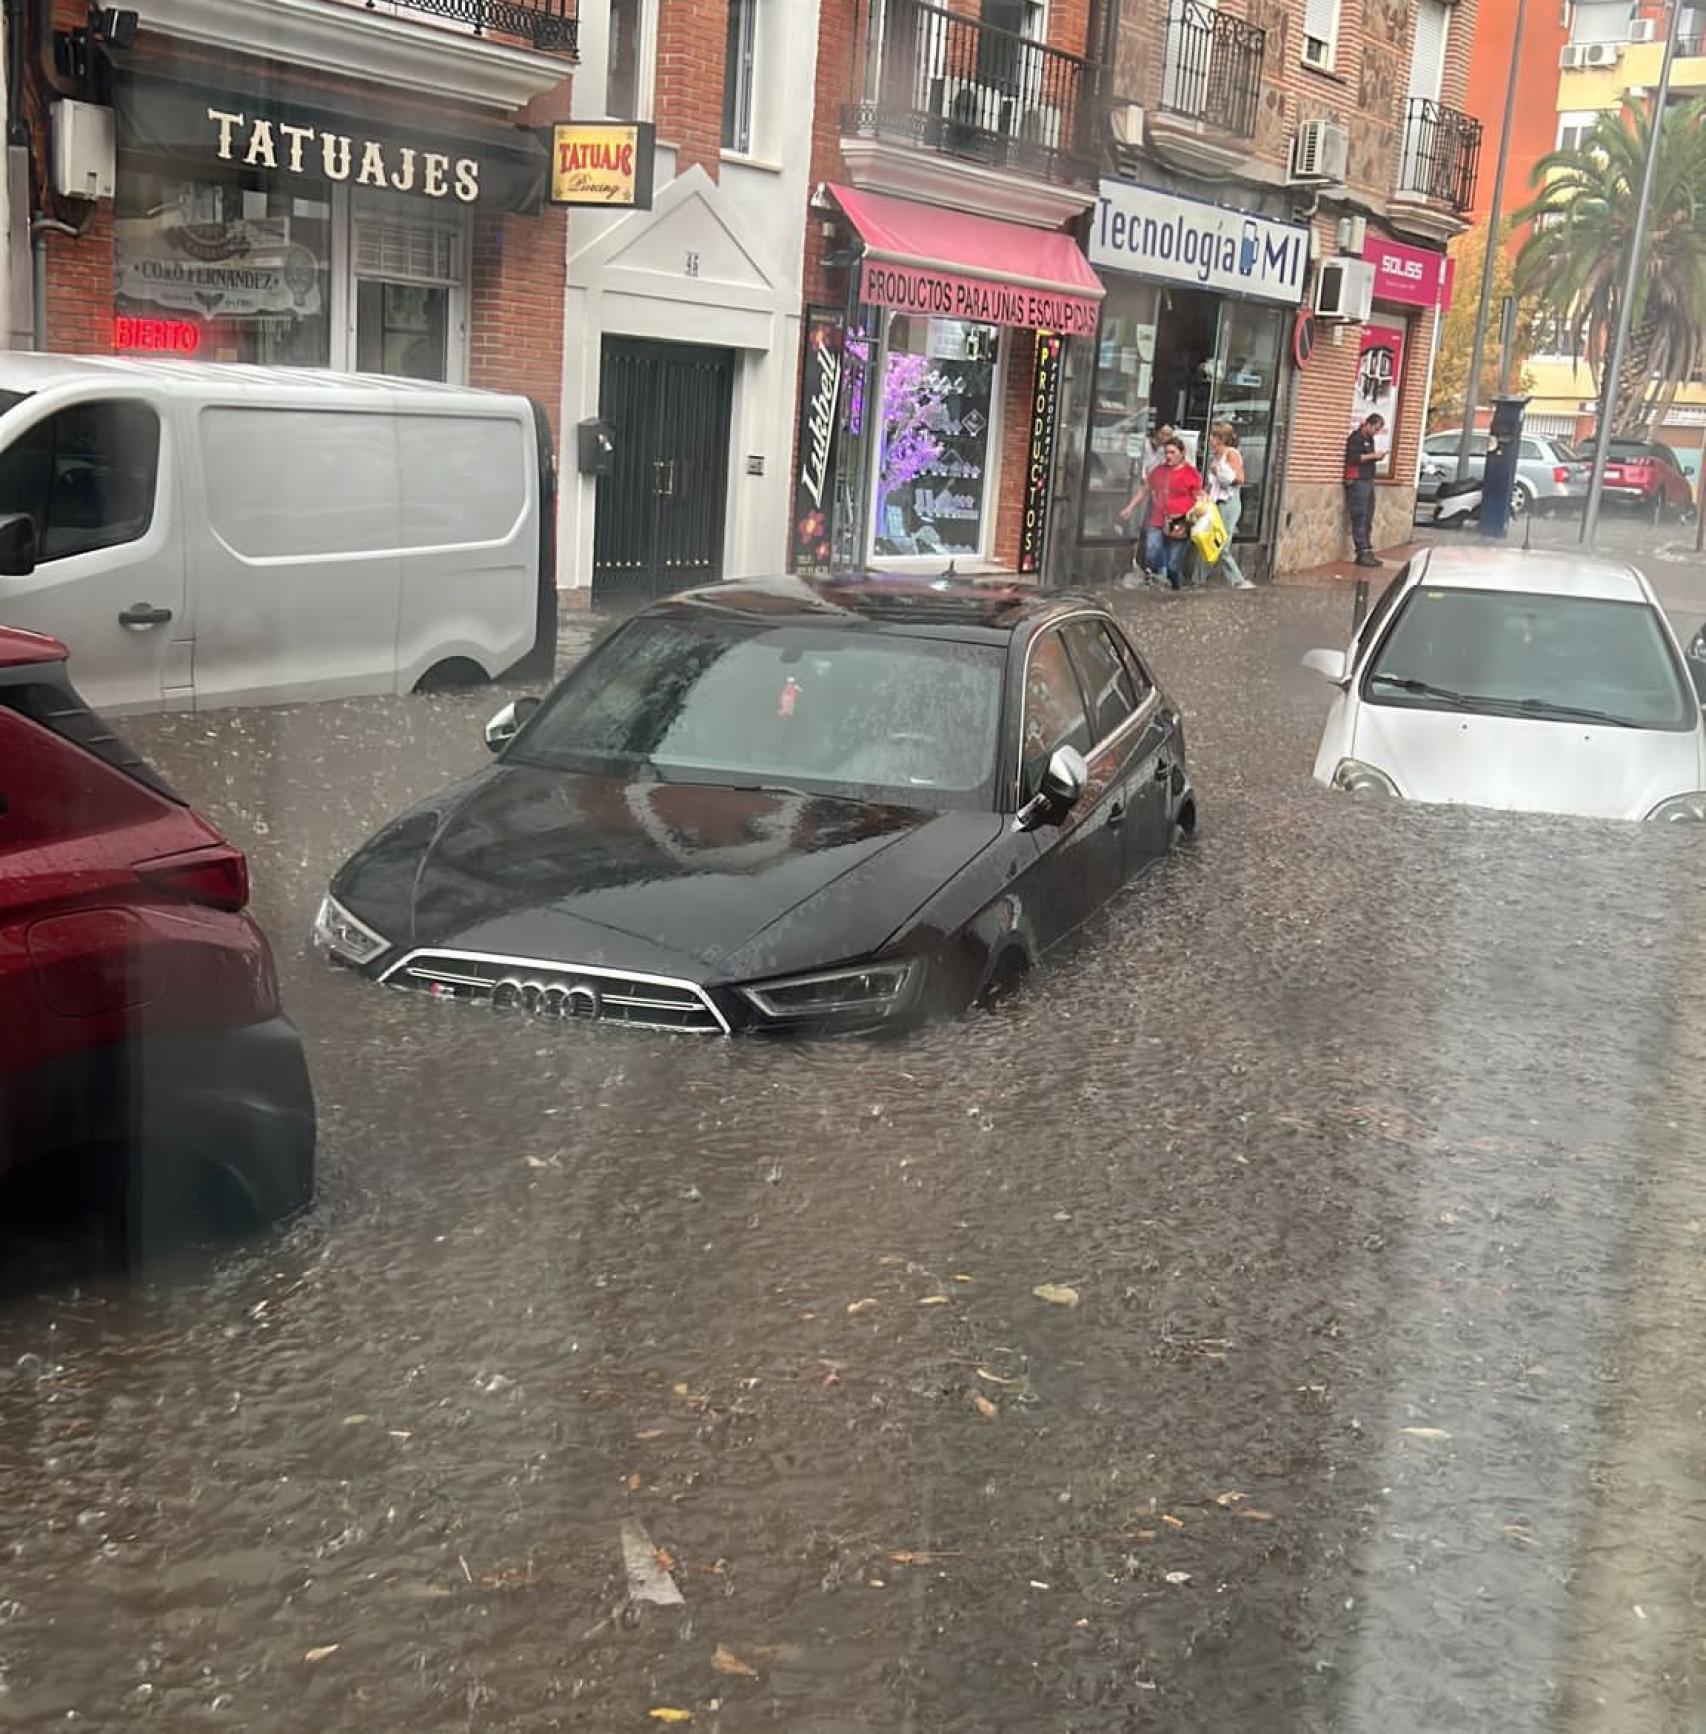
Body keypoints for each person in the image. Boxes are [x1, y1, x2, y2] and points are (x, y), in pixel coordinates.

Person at [1116, 421, 1175, 584]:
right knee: (1136, 529)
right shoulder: (1144, 447)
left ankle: (1153, 570)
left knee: (1155, 533)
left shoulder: (1167, 453)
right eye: (1164, 434)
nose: (1167, 438)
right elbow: (1142, 478)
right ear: (1156, 433)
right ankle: (1133, 566)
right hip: (1141, 489)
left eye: (1170, 435)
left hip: (1157, 498)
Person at [1141, 436, 1202, 591]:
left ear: (1182, 453)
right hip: (1158, 519)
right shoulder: (1159, 471)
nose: (1168, 456)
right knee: (1151, 551)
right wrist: (1129, 508)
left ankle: (1176, 590)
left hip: (1180, 522)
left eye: (1172, 452)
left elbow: (1199, 497)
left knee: (1173, 566)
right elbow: (1145, 489)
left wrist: (1196, 518)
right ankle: (1155, 580)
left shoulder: (1190, 473)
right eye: (1166, 452)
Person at [1205, 421, 1254, 590]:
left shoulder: (1231, 454)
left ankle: (1238, 580)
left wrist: (1218, 472)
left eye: (1213, 436)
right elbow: (1212, 485)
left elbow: (1239, 479)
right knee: (1207, 542)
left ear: (1220, 438)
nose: (1210, 439)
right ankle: (1198, 579)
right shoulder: (1214, 456)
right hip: (1214, 503)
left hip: (1228, 502)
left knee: (1221, 544)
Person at [1344, 413, 1385, 568]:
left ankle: (1367, 550)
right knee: (1360, 516)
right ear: (1367, 424)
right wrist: (1373, 456)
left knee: (1368, 516)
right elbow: (1354, 458)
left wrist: (1375, 457)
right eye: (1375, 428)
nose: (1375, 432)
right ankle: (1361, 550)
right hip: (1358, 480)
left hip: (1367, 479)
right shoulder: (1356, 438)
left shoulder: (1369, 439)